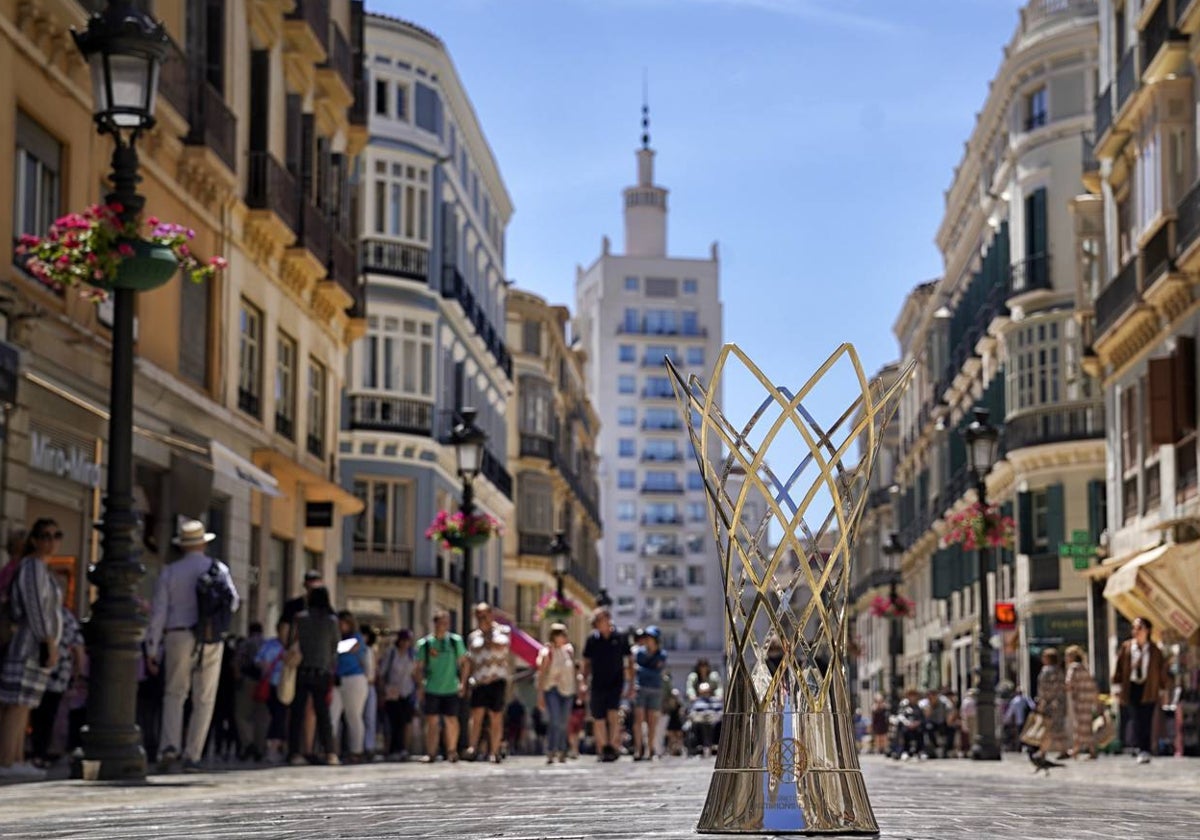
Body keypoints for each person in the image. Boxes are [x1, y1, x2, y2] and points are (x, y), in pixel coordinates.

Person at [146, 519, 239, 772]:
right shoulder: (218, 568)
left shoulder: (170, 571)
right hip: (209, 636)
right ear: (203, 544)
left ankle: (169, 747)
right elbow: (233, 602)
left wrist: (152, 647)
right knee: (205, 697)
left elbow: (159, 612)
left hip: (178, 634)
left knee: (175, 693)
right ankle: (193, 754)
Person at [0, 522, 63, 780]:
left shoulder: (40, 568)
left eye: (56, 535)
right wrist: (48, 641)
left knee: (24, 704)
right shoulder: (33, 567)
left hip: (34, 646)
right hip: (29, 645)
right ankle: (7, 759)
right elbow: (35, 607)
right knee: (17, 704)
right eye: (45, 536)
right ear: (34, 540)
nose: (51, 541)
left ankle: (16, 757)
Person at [29, 567, 84, 767]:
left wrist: (77, 669)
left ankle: (40, 751)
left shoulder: (53, 615)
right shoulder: (64, 616)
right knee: (49, 714)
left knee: (40, 714)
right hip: (55, 673)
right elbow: (78, 648)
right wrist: (78, 671)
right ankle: (44, 752)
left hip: (45, 671)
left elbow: (77, 648)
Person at [286, 585, 339, 766]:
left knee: (297, 713)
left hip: (302, 669)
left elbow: (290, 642)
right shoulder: (331, 621)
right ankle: (329, 752)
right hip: (322, 671)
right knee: (323, 714)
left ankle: (294, 753)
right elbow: (335, 647)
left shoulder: (300, 618)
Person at [1111, 616, 1169, 764]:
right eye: (1134, 628)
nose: (1135, 631)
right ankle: (1139, 747)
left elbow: (1161, 671)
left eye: (1139, 628)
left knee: (1147, 718)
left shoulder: (1155, 650)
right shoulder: (1127, 647)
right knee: (1135, 718)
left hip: (1148, 688)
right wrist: (1117, 687)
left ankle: (1145, 749)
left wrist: (1163, 691)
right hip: (1132, 686)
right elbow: (1118, 668)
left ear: (1147, 630)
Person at [280, 569, 324, 757]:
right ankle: (297, 748)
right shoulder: (296, 606)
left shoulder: (321, 609)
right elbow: (284, 630)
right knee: (297, 706)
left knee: (307, 708)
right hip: (300, 661)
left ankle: (305, 748)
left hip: (310, 661)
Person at [414, 609, 467, 762]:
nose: (443, 625)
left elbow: (464, 663)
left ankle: (452, 751)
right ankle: (431, 752)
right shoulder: (425, 644)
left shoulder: (455, 641)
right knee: (432, 721)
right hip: (432, 687)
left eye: (446, 622)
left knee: (452, 720)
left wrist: (462, 683)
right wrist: (420, 686)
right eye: (441, 622)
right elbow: (418, 667)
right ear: (435, 623)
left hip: (451, 687)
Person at [582, 607, 632, 762]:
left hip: (616, 682)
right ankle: (604, 747)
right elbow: (586, 662)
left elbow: (630, 661)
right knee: (599, 717)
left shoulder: (621, 637)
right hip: (597, 683)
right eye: (597, 621)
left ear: (608, 619)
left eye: (601, 620)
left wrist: (630, 685)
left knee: (613, 714)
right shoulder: (592, 639)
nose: (599, 623)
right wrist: (583, 682)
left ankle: (613, 745)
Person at [464, 602, 511, 762]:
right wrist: (464, 682)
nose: (481, 618)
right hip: (478, 680)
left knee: (495, 716)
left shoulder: (502, 631)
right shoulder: (473, 636)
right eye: (478, 616)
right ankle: (473, 747)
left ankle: (494, 750)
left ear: (491, 615)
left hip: (496, 679)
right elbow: (469, 660)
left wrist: (487, 634)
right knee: (476, 715)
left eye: (484, 615)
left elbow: (503, 646)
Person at [329, 611, 369, 761]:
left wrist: (331, 644)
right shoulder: (335, 637)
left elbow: (338, 648)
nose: (340, 626)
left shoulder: (356, 638)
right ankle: (331, 749)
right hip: (337, 680)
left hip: (354, 679)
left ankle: (356, 751)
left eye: (343, 623)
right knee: (332, 716)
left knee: (353, 716)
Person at [536, 622, 576, 764]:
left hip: (568, 690)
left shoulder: (569, 651)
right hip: (552, 689)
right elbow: (541, 674)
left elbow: (574, 671)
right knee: (555, 719)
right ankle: (552, 749)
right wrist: (540, 695)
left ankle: (562, 749)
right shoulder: (547, 652)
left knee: (564, 722)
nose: (564, 637)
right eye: (561, 634)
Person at [253, 619, 289, 763]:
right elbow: (257, 660)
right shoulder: (270, 645)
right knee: (276, 715)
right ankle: (272, 746)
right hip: (272, 684)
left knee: (281, 716)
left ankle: (278, 745)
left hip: (287, 685)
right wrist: (264, 665)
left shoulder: (293, 646)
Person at [378, 629, 417, 760]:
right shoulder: (391, 654)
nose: (406, 643)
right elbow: (382, 673)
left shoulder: (412, 654)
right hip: (392, 693)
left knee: (405, 722)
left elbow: (416, 673)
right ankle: (392, 749)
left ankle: (403, 749)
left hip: (407, 692)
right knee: (393, 722)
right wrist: (382, 692)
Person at [631, 625, 666, 761]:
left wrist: (641, 669)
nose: (648, 640)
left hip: (655, 689)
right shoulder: (639, 652)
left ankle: (650, 748)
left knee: (652, 721)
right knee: (638, 720)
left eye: (651, 638)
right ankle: (638, 749)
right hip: (641, 688)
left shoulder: (662, 654)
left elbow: (657, 672)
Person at [233, 622, 266, 761]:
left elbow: (236, 662)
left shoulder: (246, 643)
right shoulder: (267, 644)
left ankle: (248, 743)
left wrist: (238, 677)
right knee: (261, 717)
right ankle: (259, 746)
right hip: (264, 682)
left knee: (242, 715)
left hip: (248, 680)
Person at [1064, 645, 1099, 760]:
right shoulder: (1084, 668)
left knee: (1078, 725)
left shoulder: (1073, 668)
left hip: (1078, 700)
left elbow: (1069, 683)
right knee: (1086, 725)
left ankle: (1076, 749)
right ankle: (1089, 749)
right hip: (1087, 700)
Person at [1034, 647, 1069, 761]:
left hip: (1049, 704)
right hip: (1059, 703)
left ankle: (1043, 751)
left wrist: (1041, 702)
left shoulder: (1046, 671)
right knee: (1058, 728)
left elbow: (1044, 689)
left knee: (1046, 728)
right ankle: (1063, 750)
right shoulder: (1059, 671)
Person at [359, 625, 379, 759]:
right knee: (358, 717)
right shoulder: (356, 650)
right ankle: (358, 746)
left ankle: (369, 747)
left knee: (370, 718)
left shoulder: (371, 650)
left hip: (370, 686)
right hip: (359, 684)